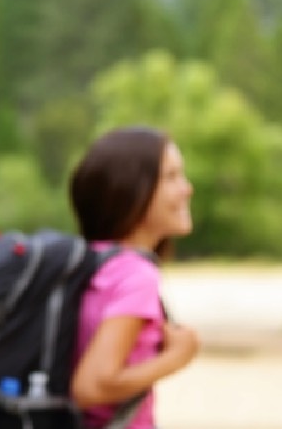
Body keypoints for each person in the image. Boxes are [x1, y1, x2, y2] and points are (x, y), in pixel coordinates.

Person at [67, 126, 200, 429]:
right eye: (171, 177)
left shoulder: (89, 261)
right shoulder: (135, 275)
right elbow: (91, 388)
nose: (186, 188)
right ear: (132, 191)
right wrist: (177, 357)